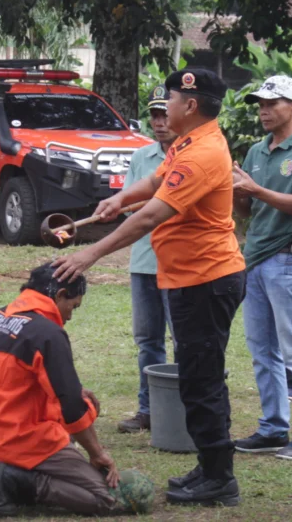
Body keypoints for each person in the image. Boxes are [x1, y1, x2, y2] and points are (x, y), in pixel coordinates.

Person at [53, 69, 247, 507]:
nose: (166, 106)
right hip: (189, 278)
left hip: (207, 280)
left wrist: (90, 253)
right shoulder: (188, 142)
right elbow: (157, 182)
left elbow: (151, 216)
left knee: (202, 379)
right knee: (197, 376)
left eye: (172, 98)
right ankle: (210, 467)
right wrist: (121, 197)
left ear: (190, 105)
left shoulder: (204, 153)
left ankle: (220, 477)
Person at [0, 263, 155, 517]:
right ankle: (16, 480)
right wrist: (98, 453)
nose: (69, 316)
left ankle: (10, 473)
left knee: (79, 407)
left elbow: (12, 384)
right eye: (73, 306)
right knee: (107, 499)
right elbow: (71, 408)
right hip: (17, 440)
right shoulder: (47, 333)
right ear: (59, 295)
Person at [230, 75, 292, 461]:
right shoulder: (257, 150)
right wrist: (239, 193)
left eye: (272, 104)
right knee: (261, 349)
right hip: (254, 260)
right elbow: (248, 211)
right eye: (260, 105)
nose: (263, 111)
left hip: (289, 259)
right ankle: (272, 427)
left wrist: (255, 190)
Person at [118, 84, 176, 434]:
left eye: (166, 114)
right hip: (143, 261)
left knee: (183, 340)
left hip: (179, 263)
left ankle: (183, 408)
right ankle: (148, 409)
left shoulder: (192, 156)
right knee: (148, 341)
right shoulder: (142, 158)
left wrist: (147, 207)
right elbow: (128, 205)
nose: (159, 122)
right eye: (154, 115)